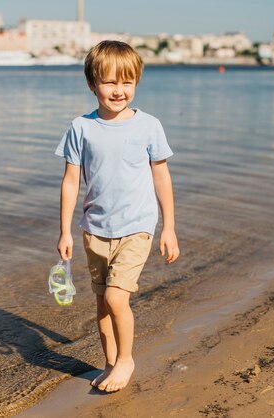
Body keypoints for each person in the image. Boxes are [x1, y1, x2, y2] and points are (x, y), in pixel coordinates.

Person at [55, 40, 180, 393]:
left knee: (116, 298)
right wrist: (65, 231)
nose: (118, 90)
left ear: (136, 82)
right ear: (92, 84)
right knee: (102, 304)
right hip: (95, 229)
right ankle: (110, 364)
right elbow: (70, 181)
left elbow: (161, 176)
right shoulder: (80, 127)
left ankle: (126, 359)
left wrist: (168, 227)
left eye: (127, 82)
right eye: (109, 82)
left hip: (137, 226)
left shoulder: (148, 126)